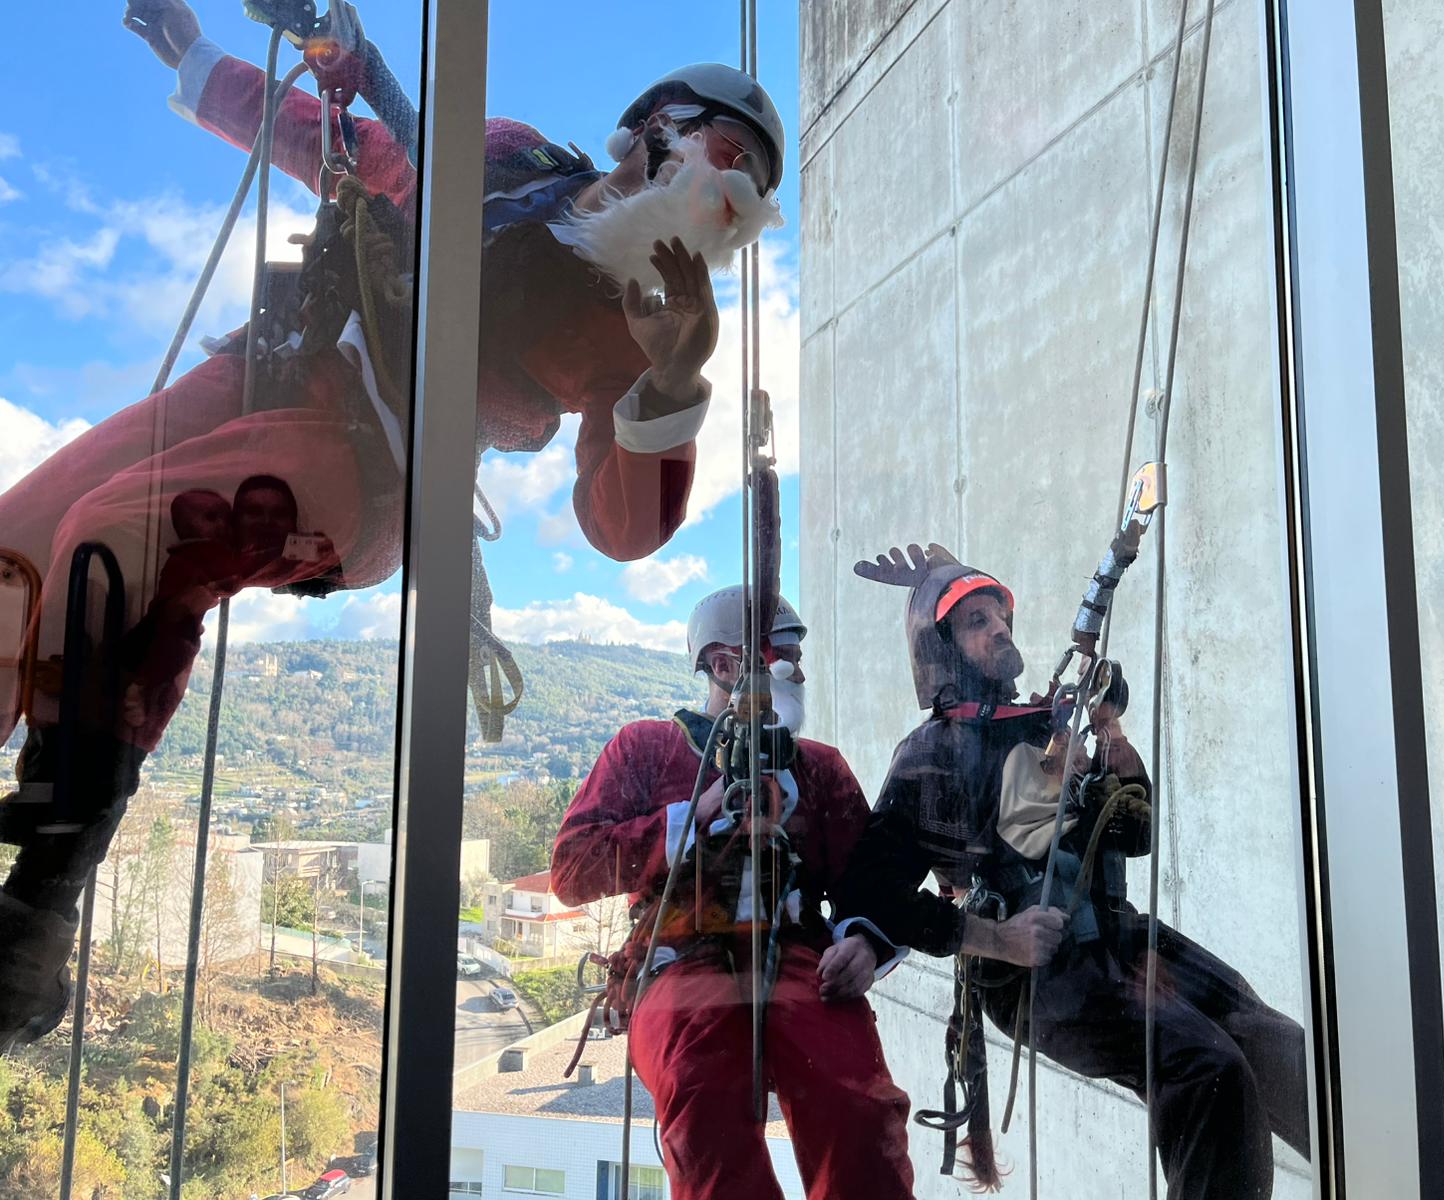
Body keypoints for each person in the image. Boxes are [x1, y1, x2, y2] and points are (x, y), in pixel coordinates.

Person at [0, 0, 786, 1049]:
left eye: (748, 194)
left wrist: (672, 380)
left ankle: (43, 892)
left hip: (375, 468)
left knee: (123, 539)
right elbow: (357, 149)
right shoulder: (510, 162)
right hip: (275, 368)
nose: (728, 197)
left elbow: (621, 532)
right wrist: (204, 59)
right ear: (651, 130)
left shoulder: (651, 319)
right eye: (725, 157)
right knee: (21, 542)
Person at [840, 545, 1312, 1199]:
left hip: (1115, 937)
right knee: (1209, 1069)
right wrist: (993, 939)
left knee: (1274, 1044)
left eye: (1000, 615)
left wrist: (1108, 729)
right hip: (1039, 975)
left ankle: (1422, 1179)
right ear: (940, 647)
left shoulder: (1045, 723)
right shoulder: (929, 756)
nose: (1000, 627)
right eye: (977, 621)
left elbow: (1134, 831)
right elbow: (873, 895)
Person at [548, 586, 917, 1200]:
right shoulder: (647, 751)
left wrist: (866, 944)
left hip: (799, 955)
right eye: (785, 656)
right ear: (723, 665)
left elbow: (872, 883)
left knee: (857, 1104)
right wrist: (688, 816)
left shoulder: (818, 769)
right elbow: (572, 870)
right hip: (677, 957)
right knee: (702, 1102)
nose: (798, 672)